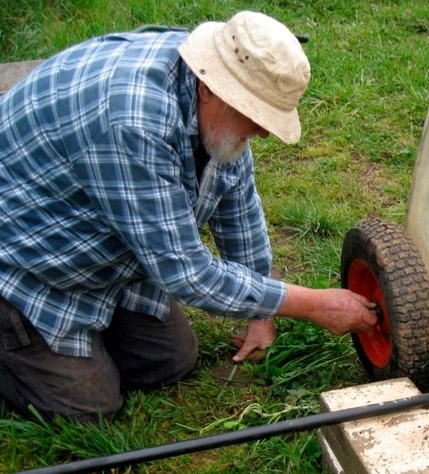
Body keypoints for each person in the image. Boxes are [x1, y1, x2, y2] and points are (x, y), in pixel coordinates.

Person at [0, 11, 378, 421]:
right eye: (256, 114)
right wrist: (313, 305)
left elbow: (239, 209)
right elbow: (185, 272)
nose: (264, 132)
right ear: (209, 89)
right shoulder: (133, 119)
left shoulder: (216, 91)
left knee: (171, 360)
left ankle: (80, 339)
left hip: (97, 246)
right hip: (26, 261)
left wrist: (260, 312)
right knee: (89, 407)